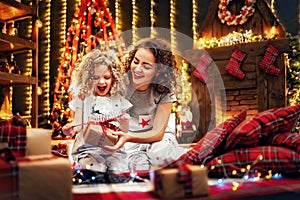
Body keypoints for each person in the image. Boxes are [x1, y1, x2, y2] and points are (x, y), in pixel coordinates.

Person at [104, 37, 188, 170]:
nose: (137, 69)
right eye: (135, 62)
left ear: (158, 70)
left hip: (156, 138)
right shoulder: (119, 85)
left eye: (146, 66)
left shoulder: (163, 92)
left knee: (160, 154)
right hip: (128, 139)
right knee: (127, 162)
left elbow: (158, 132)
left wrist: (129, 137)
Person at [62, 48, 132, 174]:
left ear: (114, 79)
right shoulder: (83, 98)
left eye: (106, 77)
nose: (101, 82)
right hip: (87, 150)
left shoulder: (119, 101)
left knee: (117, 170)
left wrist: (124, 123)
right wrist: (69, 130)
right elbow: (77, 125)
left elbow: (124, 131)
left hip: (113, 151)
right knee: (93, 169)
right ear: (88, 78)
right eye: (96, 77)